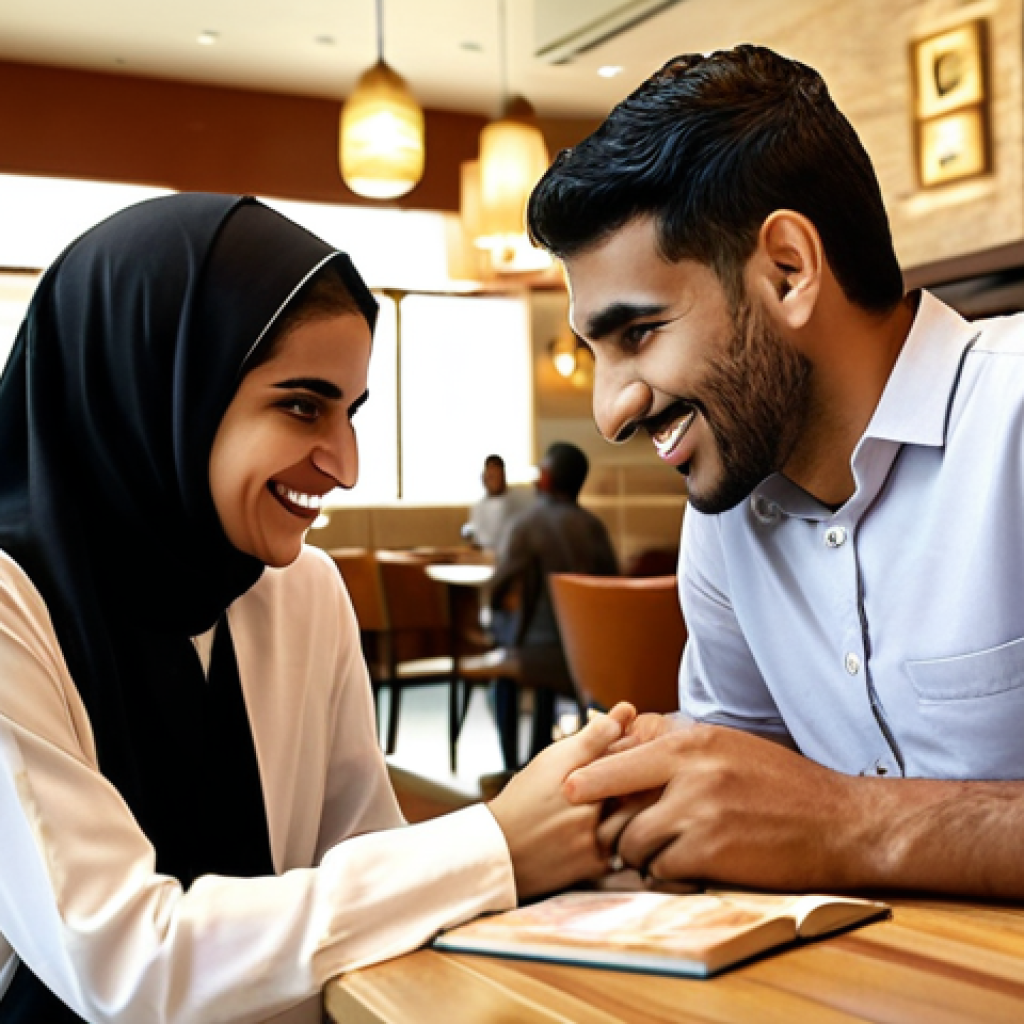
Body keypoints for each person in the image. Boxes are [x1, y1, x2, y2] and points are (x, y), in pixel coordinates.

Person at [0, 193, 636, 1023]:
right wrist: (500, 841)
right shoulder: (13, 606)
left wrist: (592, 841)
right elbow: (124, 963)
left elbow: (372, 864)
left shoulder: (301, 588)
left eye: (352, 411)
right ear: (159, 388)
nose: (344, 464)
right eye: (302, 405)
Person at [526, 44, 1024, 897]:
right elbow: (736, 811)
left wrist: (843, 824)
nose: (610, 412)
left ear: (788, 269)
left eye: (638, 334)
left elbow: (808, 823)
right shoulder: (725, 514)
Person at [488, 442, 619, 770]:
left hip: (536, 655)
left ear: (546, 479)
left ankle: (510, 768)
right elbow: (615, 587)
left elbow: (497, 587)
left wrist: (494, 619)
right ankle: (544, 758)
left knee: (501, 671)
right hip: (588, 659)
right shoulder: (594, 528)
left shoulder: (526, 525)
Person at [465, 454, 532, 552]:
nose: (493, 480)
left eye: (496, 475)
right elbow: (478, 539)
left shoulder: (519, 500)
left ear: (503, 476)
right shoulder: (479, 507)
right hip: (486, 555)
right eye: (490, 476)